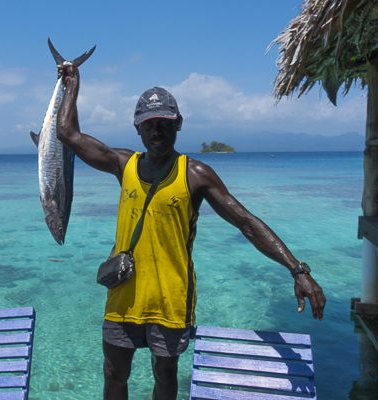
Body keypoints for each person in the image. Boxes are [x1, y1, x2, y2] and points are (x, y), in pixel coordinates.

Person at [56, 64, 326, 400]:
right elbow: (68, 134)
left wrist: (296, 269)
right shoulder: (121, 164)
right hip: (123, 296)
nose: (157, 131)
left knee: (165, 376)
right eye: (149, 124)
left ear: (178, 124)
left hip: (172, 300)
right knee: (114, 374)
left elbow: (246, 222)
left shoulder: (195, 174)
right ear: (137, 128)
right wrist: (72, 83)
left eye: (164, 124)